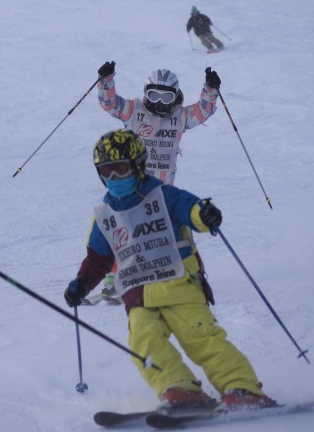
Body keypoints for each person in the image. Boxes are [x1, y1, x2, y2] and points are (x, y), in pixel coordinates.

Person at [63, 129, 277, 412]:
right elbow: (97, 258)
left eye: (121, 169)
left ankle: (242, 387)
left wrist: (205, 214)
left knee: (202, 339)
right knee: (143, 342)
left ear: (138, 165)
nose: (114, 178)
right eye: (106, 171)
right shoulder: (104, 214)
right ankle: (180, 388)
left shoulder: (162, 194)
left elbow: (191, 210)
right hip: (137, 294)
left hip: (178, 284)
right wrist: (82, 282)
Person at [94, 61, 222, 299]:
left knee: (168, 230)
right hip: (134, 184)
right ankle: (113, 277)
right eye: (154, 95)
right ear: (146, 93)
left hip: (164, 189)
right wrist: (106, 81)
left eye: (166, 97)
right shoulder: (135, 110)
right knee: (125, 229)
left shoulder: (180, 117)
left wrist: (210, 90)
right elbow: (109, 103)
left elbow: (203, 111)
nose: (159, 102)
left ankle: (178, 274)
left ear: (175, 96)